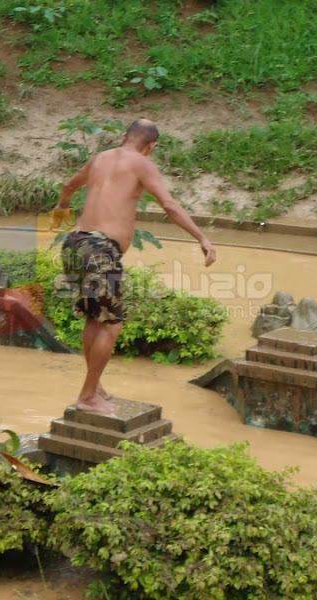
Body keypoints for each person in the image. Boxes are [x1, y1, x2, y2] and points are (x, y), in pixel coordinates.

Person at [51, 118, 217, 413]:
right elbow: (169, 204)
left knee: (95, 319)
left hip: (75, 243)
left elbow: (69, 185)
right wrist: (202, 237)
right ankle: (87, 396)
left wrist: (62, 208)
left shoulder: (100, 158)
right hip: (100, 250)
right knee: (112, 326)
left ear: (125, 136)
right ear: (150, 147)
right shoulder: (141, 163)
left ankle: (94, 386)